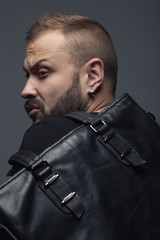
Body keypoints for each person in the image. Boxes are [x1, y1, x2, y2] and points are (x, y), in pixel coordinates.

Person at [14, 13, 118, 157]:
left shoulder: (49, 134)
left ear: (92, 76)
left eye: (43, 72)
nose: (26, 91)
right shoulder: (149, 134)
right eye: (28, 75)